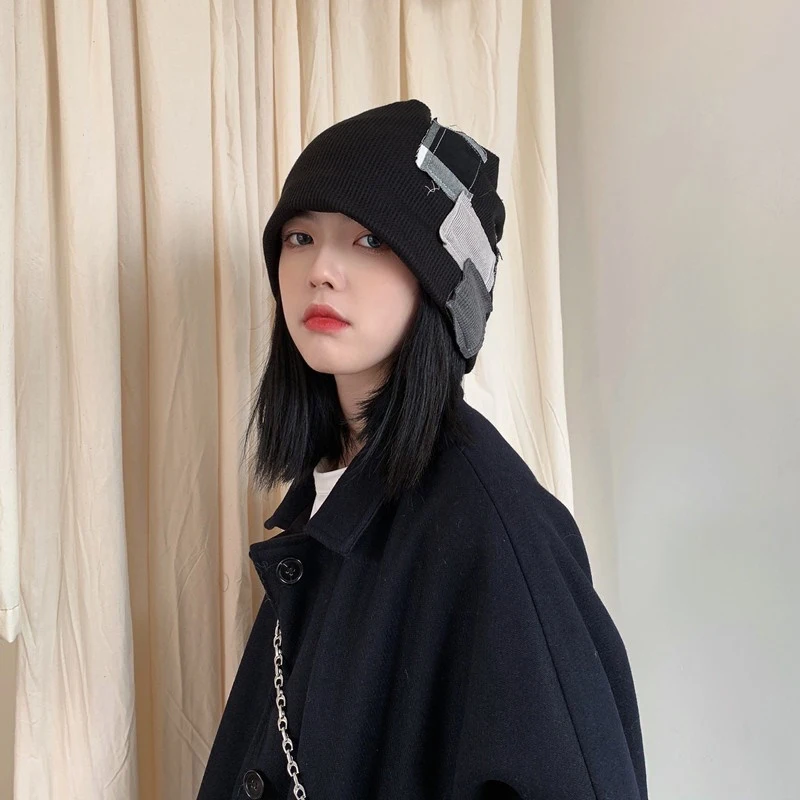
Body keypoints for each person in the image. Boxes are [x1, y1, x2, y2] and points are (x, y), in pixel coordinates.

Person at [196, 99, 648, 800]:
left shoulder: (490, 527)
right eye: (299, 237)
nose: (320, 270)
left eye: (370, 240)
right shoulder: (332, 496)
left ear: (441, 283)